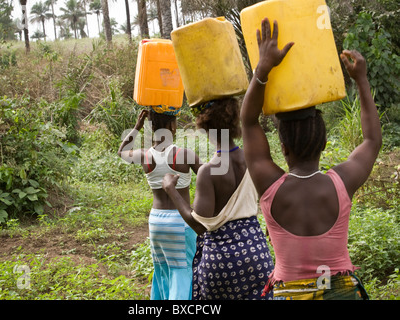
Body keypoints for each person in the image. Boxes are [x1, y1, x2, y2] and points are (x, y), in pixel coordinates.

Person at [240, 18, 382, 300]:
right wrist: (361, 80)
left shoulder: (269, 184)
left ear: (283, 147)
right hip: (341, 293)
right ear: (324, 143)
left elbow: (248, 121)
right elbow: (372, 140)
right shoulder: (342, 183)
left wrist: (263, 69)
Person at [162, 98, 274, 300]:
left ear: (205, 129)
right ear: (234, 124)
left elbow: (199, 225)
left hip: (221, 261)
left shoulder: (208, 172)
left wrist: (172, 190)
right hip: (256, 252)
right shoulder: (252, 158)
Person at [118, 106, 202, 300]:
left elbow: (122, 152)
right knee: (182, 271)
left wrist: (137, 127)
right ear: (172, 126)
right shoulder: (184, 154)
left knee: (162, 271)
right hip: (181, 221)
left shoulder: (145, 155)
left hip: (156, 222)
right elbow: (208, 177)